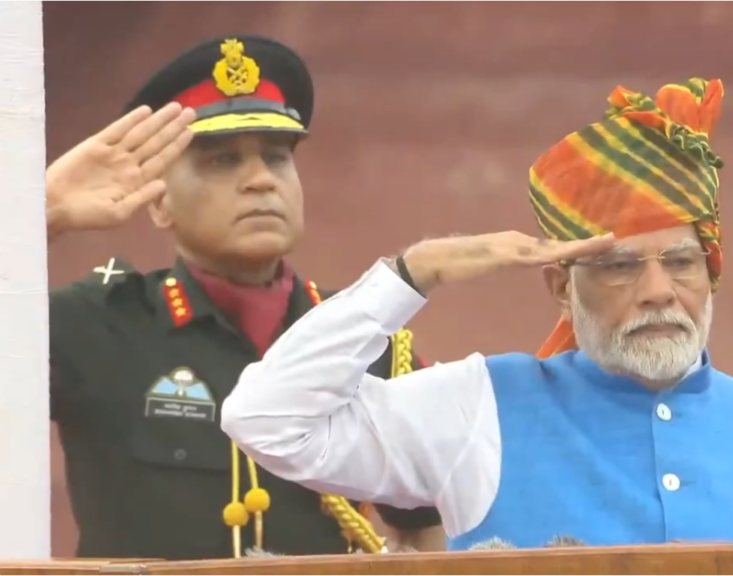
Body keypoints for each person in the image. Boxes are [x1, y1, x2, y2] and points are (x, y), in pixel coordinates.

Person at [220, 78, 733, 575]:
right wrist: (413, 272)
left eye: (681, 263)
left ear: (711, 275)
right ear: (563, 286)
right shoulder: (479, 410)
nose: (657, 292)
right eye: (619, 267)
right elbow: (268, 419)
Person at [46, 35, 443, 560]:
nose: (259, 180)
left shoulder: (370, 341)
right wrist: (38, 213)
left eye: (276, 158)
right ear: (159, 203)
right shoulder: (94, 326)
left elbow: (425, 527)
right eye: (222, 161)